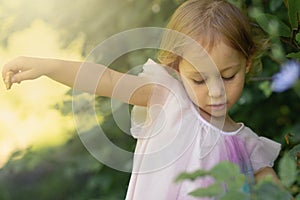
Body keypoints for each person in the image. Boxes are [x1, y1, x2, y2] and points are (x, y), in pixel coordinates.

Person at [2, 0, 282, 199]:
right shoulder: (167, 99)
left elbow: (277, 194)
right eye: (199, 79)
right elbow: (108, 80)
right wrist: (48, 67)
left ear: (246, 64)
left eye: (228, 76)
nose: (216, 91)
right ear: (176, 69)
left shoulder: (249, 146)